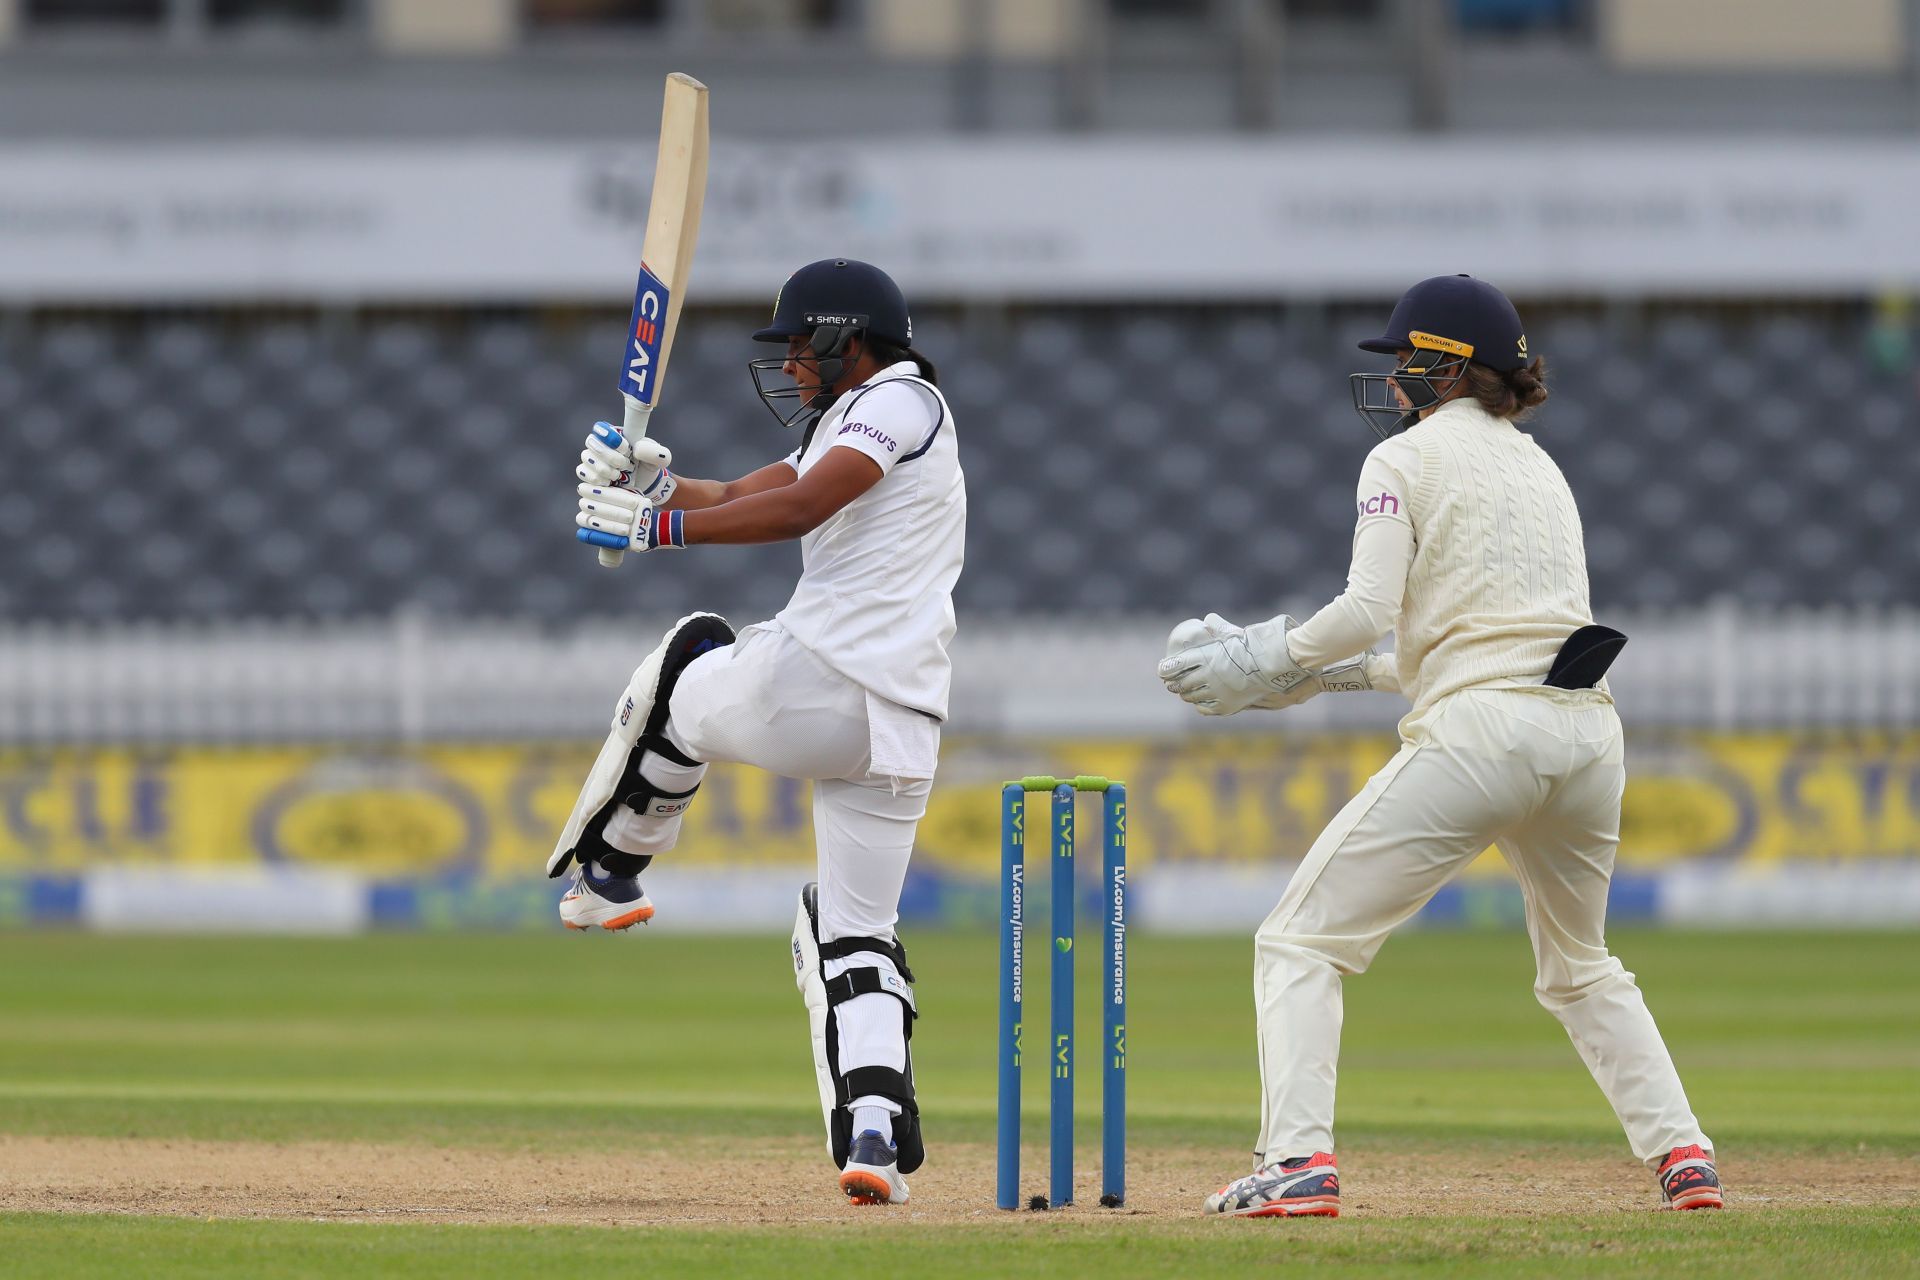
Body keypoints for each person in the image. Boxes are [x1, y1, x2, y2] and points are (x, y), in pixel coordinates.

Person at [1157, 274, 1720, 1218]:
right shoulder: (1540, 467)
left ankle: (1297, 1163)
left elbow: (1367, 613)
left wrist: (1265, 657)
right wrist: (1323, 676)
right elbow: (1480, 640)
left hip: (1482, 738)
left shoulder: (1404, 461)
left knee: (1298, 941)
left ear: (1445, 367)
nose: (1394, 384)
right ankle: (1686, 1157)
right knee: (1581, 967)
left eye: (1404, 364)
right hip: (1586, 736)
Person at [554, 258, 966, 1207]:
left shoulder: (898, 403)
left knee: (684, 663)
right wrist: (659, 486)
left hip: (822, 684)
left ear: (846, 340)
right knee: (856, 933)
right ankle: (874, 1128)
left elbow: (799, 509)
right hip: (901, 723)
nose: (788, 364)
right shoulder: (868, 418)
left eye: (798, 345)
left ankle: (611, 871)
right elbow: (752, 490)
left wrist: (652, 537)